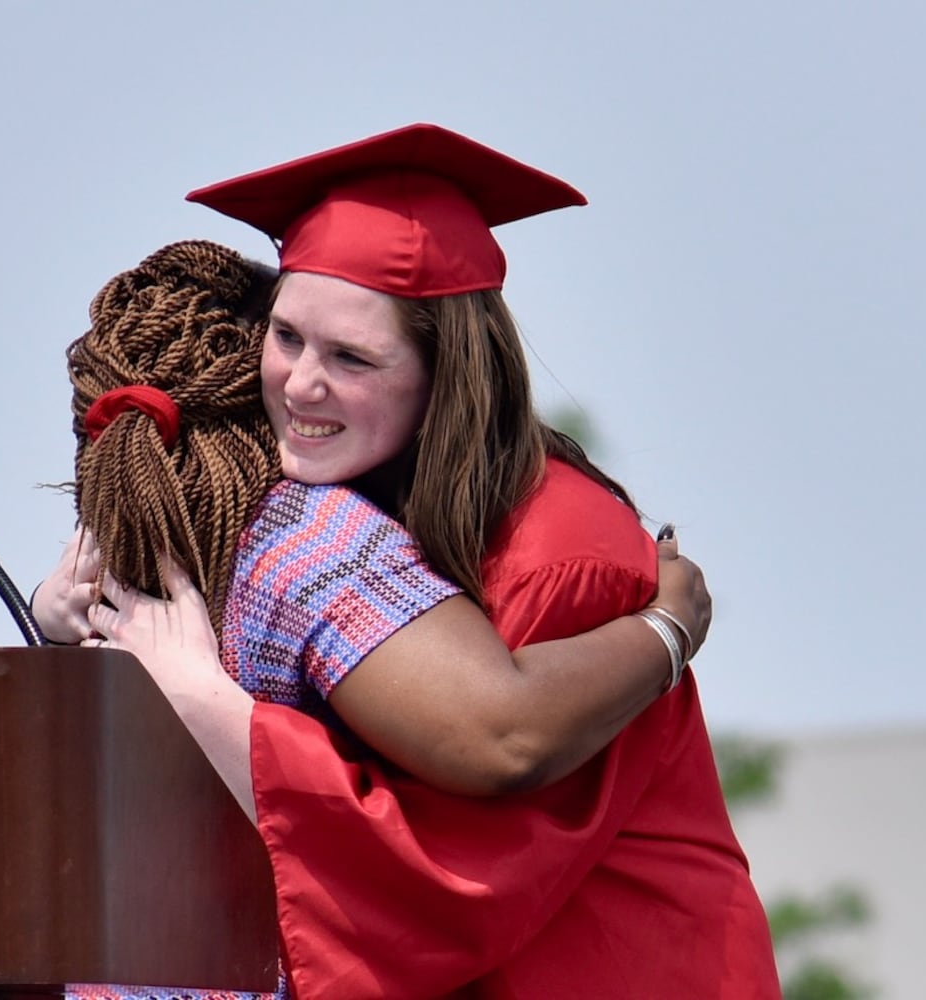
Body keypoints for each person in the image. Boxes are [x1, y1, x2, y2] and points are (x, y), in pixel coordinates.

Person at [45, 123, 779, 998]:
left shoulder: (554, 550)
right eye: (285, 339)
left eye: (352, 357)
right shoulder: (355, 503)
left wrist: (665, 630)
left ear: (447, 374)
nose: (300, 385)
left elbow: (469, 823)